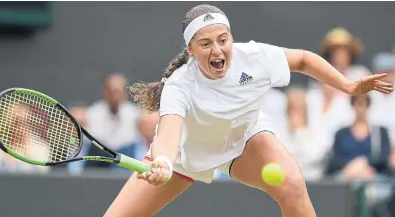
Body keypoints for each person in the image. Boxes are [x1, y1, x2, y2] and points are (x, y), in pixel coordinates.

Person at [104, 4, 393, 217]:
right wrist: (164, 161)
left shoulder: (254, 57)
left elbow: (304, 60)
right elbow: (169, 131)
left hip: (243, 142)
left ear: (231, 38)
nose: (217, 50)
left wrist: (348, 86)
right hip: (182, 156)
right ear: (190, 50)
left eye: (222, 39)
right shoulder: (180, 85)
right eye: (205, 44)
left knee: (292, 185)